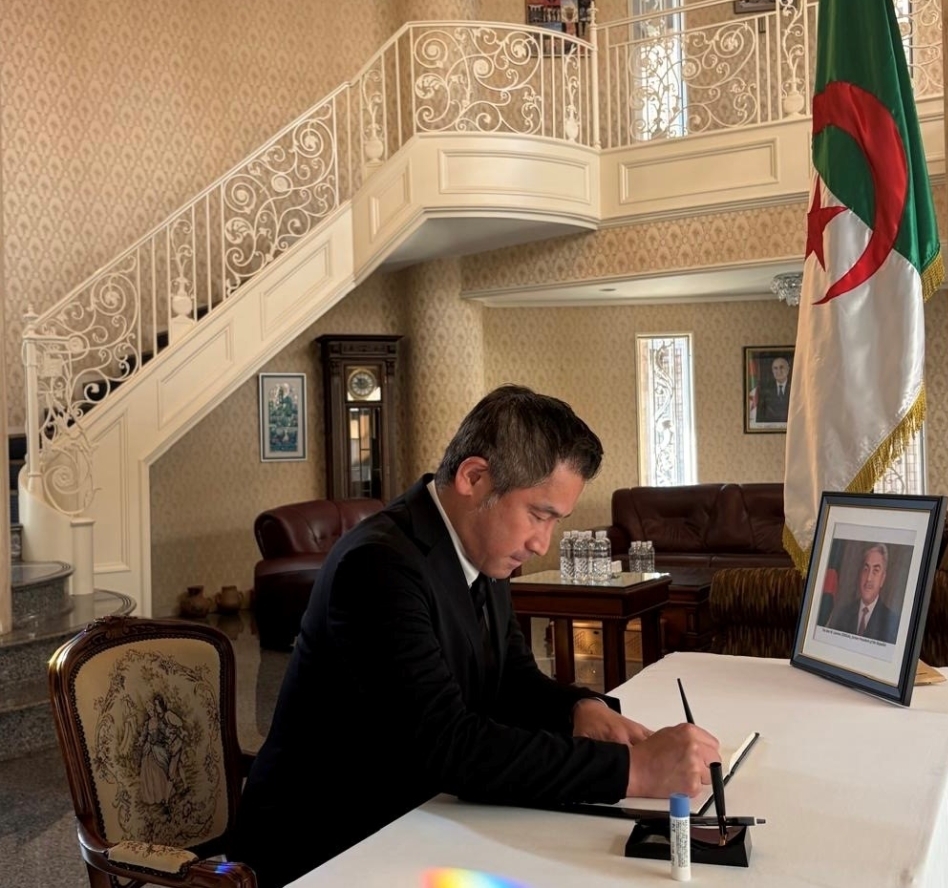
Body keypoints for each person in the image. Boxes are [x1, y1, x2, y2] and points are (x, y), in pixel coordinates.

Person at [232, 384, 720, 888]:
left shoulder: (480, 551)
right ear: (474, 477)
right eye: (538, 515)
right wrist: (632, 771)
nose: (540, 543)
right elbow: (446, 746)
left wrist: (577, 708)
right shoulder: (377, 566)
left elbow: (510, 679)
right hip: (329, 846)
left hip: (424, 822)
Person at [826, 542, 900, 643]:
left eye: (875, 571)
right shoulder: (842, 614)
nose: (869, 578)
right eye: (866, 569)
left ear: (882, 578)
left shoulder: (892, 623)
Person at [755, 355, 791, 423]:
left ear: (788, 369)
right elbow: (760, 415)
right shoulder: (765, 390)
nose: (779, 371)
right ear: (772, 371)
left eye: (781, 367)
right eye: (775, 368)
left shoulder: (795, 389)